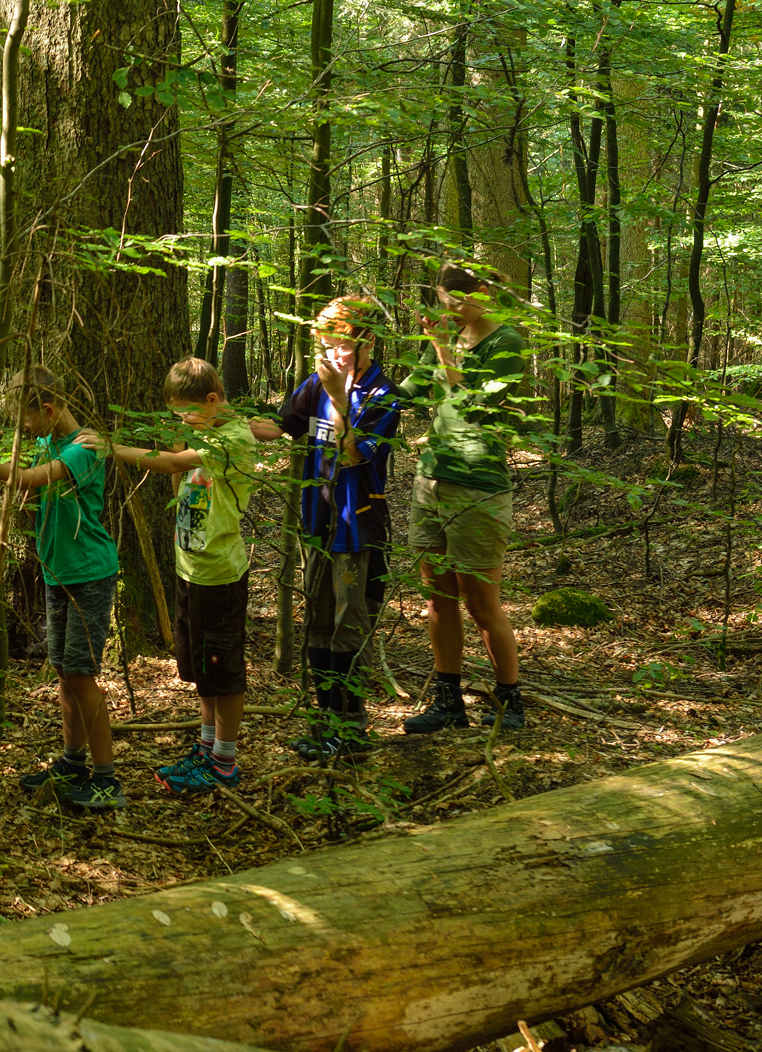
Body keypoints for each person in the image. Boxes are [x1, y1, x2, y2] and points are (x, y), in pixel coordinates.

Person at [0, 368, 126, 811]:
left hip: (89, 574)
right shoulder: (49, 444)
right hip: (58, 573)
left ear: (49, 410)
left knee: (81, 674)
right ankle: (73, 762)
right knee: (64, 672)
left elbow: (26, 479)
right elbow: (32, 493)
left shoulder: (82, 448)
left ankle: (107, 780)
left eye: (26, 420)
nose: (22, 430)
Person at [97, 358, 264, 794]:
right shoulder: (206, 431)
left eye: (187, 412)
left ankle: (224, 762)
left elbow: (172, 466)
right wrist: (180, 436)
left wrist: (109, 447)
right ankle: (207, 747)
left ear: (212, 400)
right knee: (201, 670)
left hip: (219, 574)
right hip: (191, 568)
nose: (182, 422)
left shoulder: (231, 437)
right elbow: (181, 478)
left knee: (222, 671)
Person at [398, 264, 530, 733]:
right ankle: (448, 701)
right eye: (443, 303)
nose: (448, 312)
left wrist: (439, 346)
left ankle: (509, 701)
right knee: (438, 599)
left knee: (481, 603)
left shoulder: (507, 343)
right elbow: (413, 389)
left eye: (456, 303)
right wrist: (359, 394)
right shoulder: (449, 341)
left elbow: (477, 403)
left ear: (484, 292)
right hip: (430, 480)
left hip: (478, 486)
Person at [275, 295, 405, 762]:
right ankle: (324, 724)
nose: (331, 355)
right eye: (324, 345)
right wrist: (215, 426)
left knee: (347, 628)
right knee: (317, 624)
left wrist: (336, 398)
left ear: (366, 341)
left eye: (340, 345)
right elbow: (280, 426)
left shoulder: (382, 395)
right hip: (318, 527)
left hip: (358, 529)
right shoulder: (316, 382)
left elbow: (354, 454)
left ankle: (351, 729)